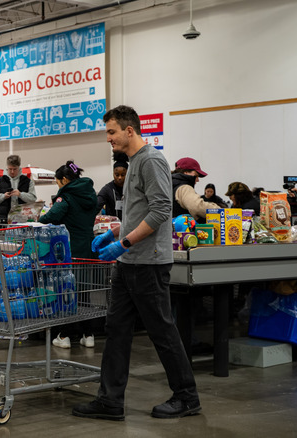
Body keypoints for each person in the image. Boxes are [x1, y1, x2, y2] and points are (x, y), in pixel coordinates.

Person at [73, 105, 200, 421]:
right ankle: (110, 400)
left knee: (161, 331)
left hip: (149, 263)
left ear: (130, 130)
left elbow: (160, 212)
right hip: (130, 262)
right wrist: (114, 233)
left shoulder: (152, 161)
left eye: (112, 132)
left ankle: (187, 397)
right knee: (116, 329)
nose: (109, 138)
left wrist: (124, 243)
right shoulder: (131, 164)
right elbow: (136, 215)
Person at [39, 161, 101, 349]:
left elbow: (48, 218)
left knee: (67, 292)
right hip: (88, 249)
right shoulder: (91, 195)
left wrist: (39, 218)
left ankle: (64, 335)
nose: (58, 186)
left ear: (64, 180)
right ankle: (88, 334)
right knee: (84, 292)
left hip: (69, 250)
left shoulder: (66, 197)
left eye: (58, 182)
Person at [0, 154, 37, 223]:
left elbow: (33, 199)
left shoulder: (28, 181)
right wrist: (3, 196)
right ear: (7, 168)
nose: (12, 171)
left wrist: (20, 194)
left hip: (23, 220)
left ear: (19, 167)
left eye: (15, 169)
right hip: (3, 220)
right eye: (10, 169)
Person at [97, 154, 129, 219]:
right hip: (113, 225)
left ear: (128, 173)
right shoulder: (107, 189)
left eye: (123, 175)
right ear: (113, 173)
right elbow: (96, 205)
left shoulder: (133, 187)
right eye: (117, 175)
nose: (119, 178)